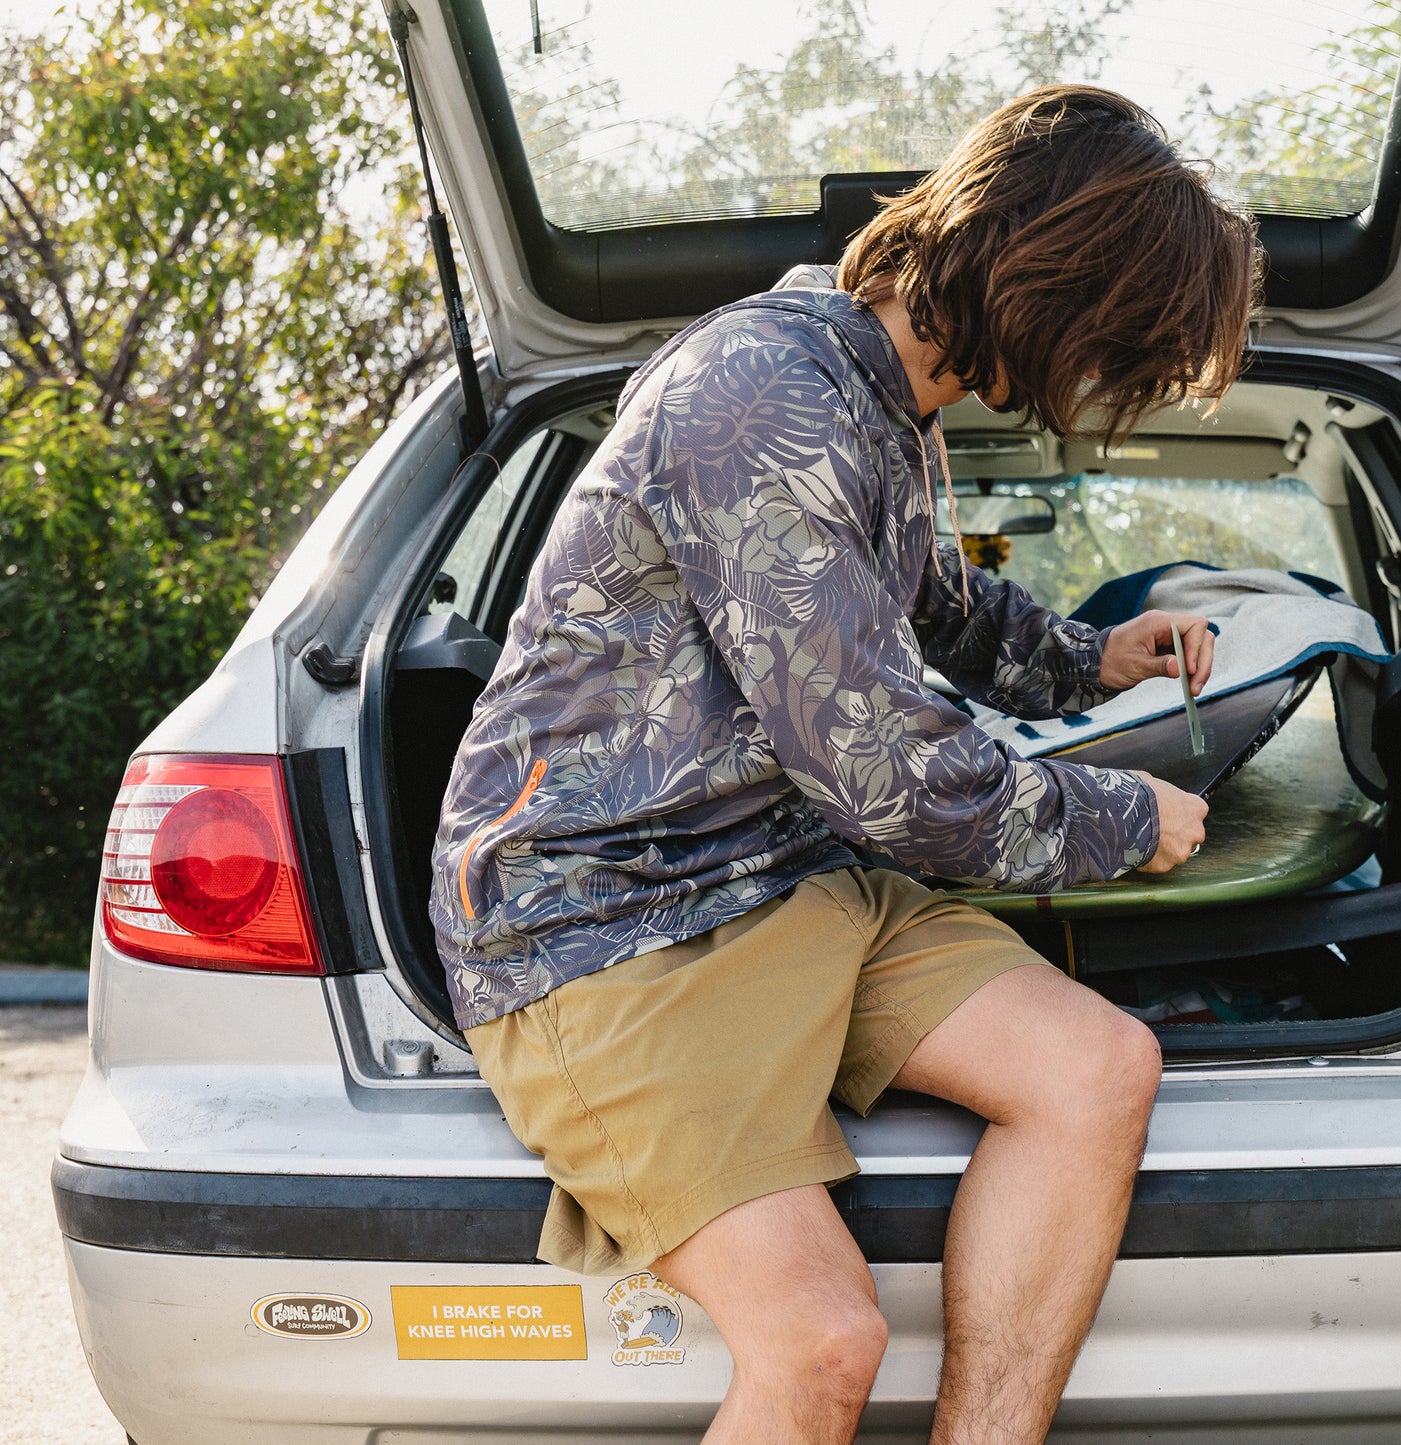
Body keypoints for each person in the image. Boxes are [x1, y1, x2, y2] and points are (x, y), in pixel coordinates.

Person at [431, 84, 1261, 1444]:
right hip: (604, 920)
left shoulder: (889, 402)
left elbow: (930, 604)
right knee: (822, 1343)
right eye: (1114, 344)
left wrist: (1091, 660)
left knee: (1095, 1069)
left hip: (790, 868)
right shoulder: (763, 395)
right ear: (1041, 280)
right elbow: (896, 777)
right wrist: (1122, 815)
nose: (1104, 384)